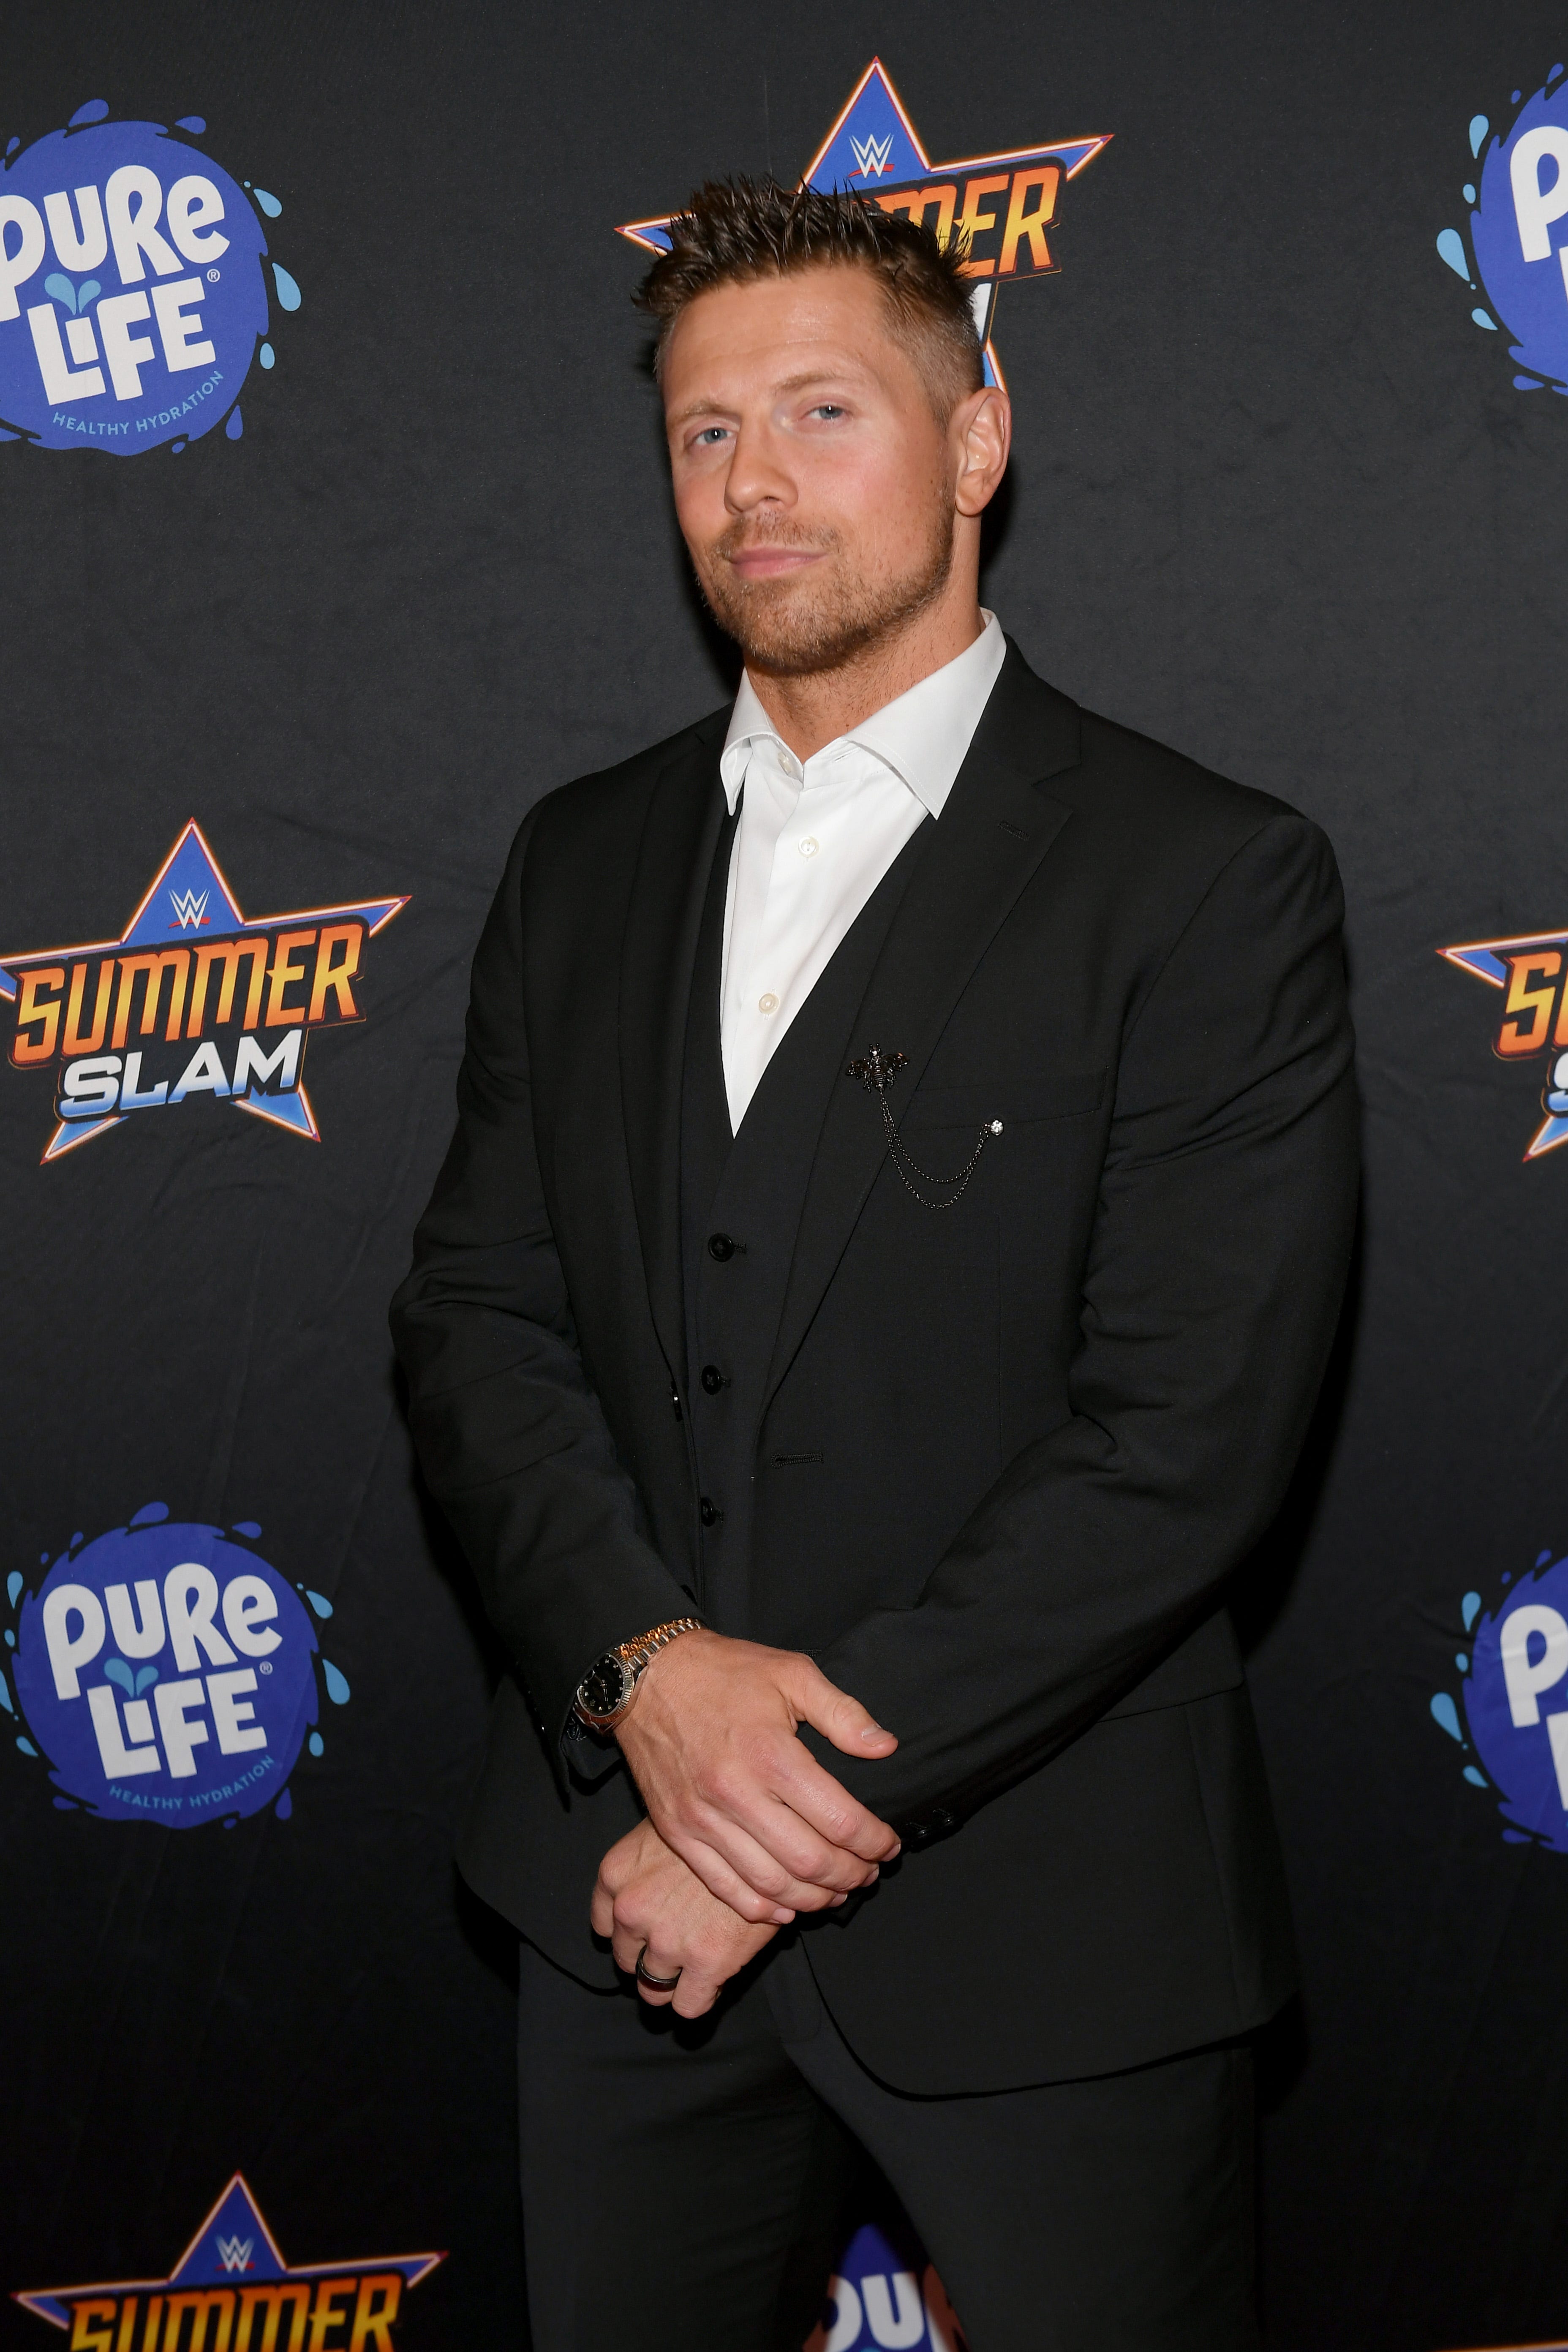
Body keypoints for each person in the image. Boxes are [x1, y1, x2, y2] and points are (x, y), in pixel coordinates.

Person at [391, 176, 1358, 2352]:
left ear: (977, 441)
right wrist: (642, 1674)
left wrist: (751, 1821)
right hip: (609, 1909)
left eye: (821, 413)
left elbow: (1186, 1436)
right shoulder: (581, 858)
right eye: (703, 432)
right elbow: (478, 1318)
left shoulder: (1205, 878)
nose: (751, 484)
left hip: (1058, 1932)